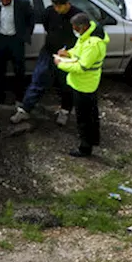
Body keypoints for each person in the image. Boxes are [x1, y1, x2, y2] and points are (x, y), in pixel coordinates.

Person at [12, 0, 81, 127]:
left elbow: (82, 38)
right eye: (55, 6)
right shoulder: (49, 12)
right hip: (49, 52)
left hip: (68, 56)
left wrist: (69, 51)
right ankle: (25, 109)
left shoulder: (77, 16)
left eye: (60, 7)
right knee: (38, 79)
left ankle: (65, 111)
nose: (57, 9)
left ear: (67, 4)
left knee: (66, 85)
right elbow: (47, 26)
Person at [54, 13, 109, 158]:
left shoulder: (93, 44)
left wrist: (61, 64)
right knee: (86, 116)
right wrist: (68, 54)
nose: (74, 31)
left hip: (85, 85)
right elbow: (78, 52)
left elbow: (82, 67)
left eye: (75, 28)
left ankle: (86, 147)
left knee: (85, 118)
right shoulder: (85, 37)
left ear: (83, 27)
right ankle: (90, 141)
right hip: (80, 83)